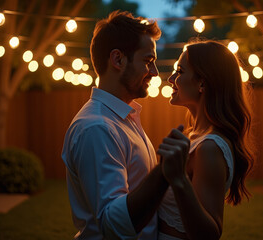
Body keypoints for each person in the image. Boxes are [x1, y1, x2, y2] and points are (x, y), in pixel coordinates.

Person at [61, 11, 171, 239]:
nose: (155, 72)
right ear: (118, 59)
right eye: (148, 61)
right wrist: (164, 172)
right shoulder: (97, 128)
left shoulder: (123, 118)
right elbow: (113, 225)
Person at [156, 40, 255, 240]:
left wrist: (178, 180)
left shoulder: (209, 148)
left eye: (180, 71)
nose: (171, 79)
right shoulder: (192, 136)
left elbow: (210, 234)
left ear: (202, 83)